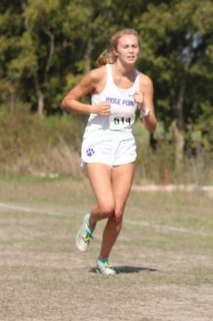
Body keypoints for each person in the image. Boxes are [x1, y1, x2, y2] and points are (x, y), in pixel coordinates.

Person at [62, 28, 156, 275]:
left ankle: (103, 259)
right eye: (126, 47)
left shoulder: (143, 82)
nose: (131, 50)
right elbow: (68, 101)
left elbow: (151, 125)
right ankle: (91, 221)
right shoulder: (98, 76)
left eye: (135, 46)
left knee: (117, 212)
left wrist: (143, 107)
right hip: (98, 140)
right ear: (116, 51)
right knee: (105, 206)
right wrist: (93, 110)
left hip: (125, 144)